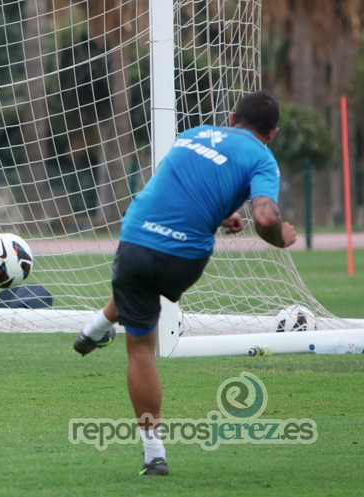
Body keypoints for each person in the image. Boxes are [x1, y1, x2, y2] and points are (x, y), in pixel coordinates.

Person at [72, 91, 297, 476]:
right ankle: (94, 328)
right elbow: (264, 217)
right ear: (272, 133)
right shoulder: (262, 157)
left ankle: (153, 455)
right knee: (142, 293)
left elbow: (177, 189)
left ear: (232, 118)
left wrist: (220, 212)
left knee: (140, 345)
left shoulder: (193, 134)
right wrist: (281, 236)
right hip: (184, 258)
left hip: (137, 238)